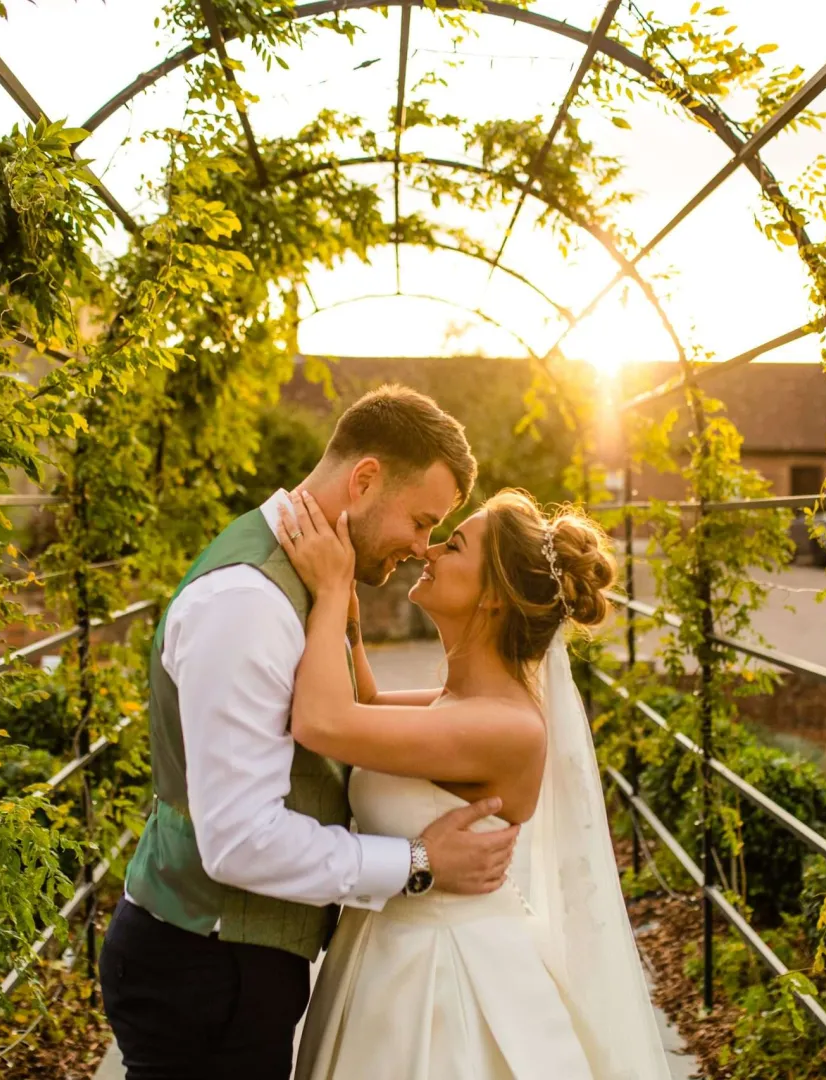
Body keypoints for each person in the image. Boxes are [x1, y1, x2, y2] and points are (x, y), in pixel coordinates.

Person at [100, 386, 521, 1080]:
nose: (422, 548)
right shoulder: (248, 603)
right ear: (364, 480)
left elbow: (360, 724)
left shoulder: (309, 588)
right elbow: (238, 840)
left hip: (236, 969)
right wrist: (416, 863)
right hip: (204, 971)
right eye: (421, 521)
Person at [278, 486, 673, 1080]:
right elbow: (368, 706)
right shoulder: (461, 703)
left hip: (442, 983)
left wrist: (333, 591)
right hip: (384, 957)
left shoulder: (505, 726)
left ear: (492, 598)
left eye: (454, 543)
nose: (431, 550)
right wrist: (350, 621)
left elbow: (323, 722)